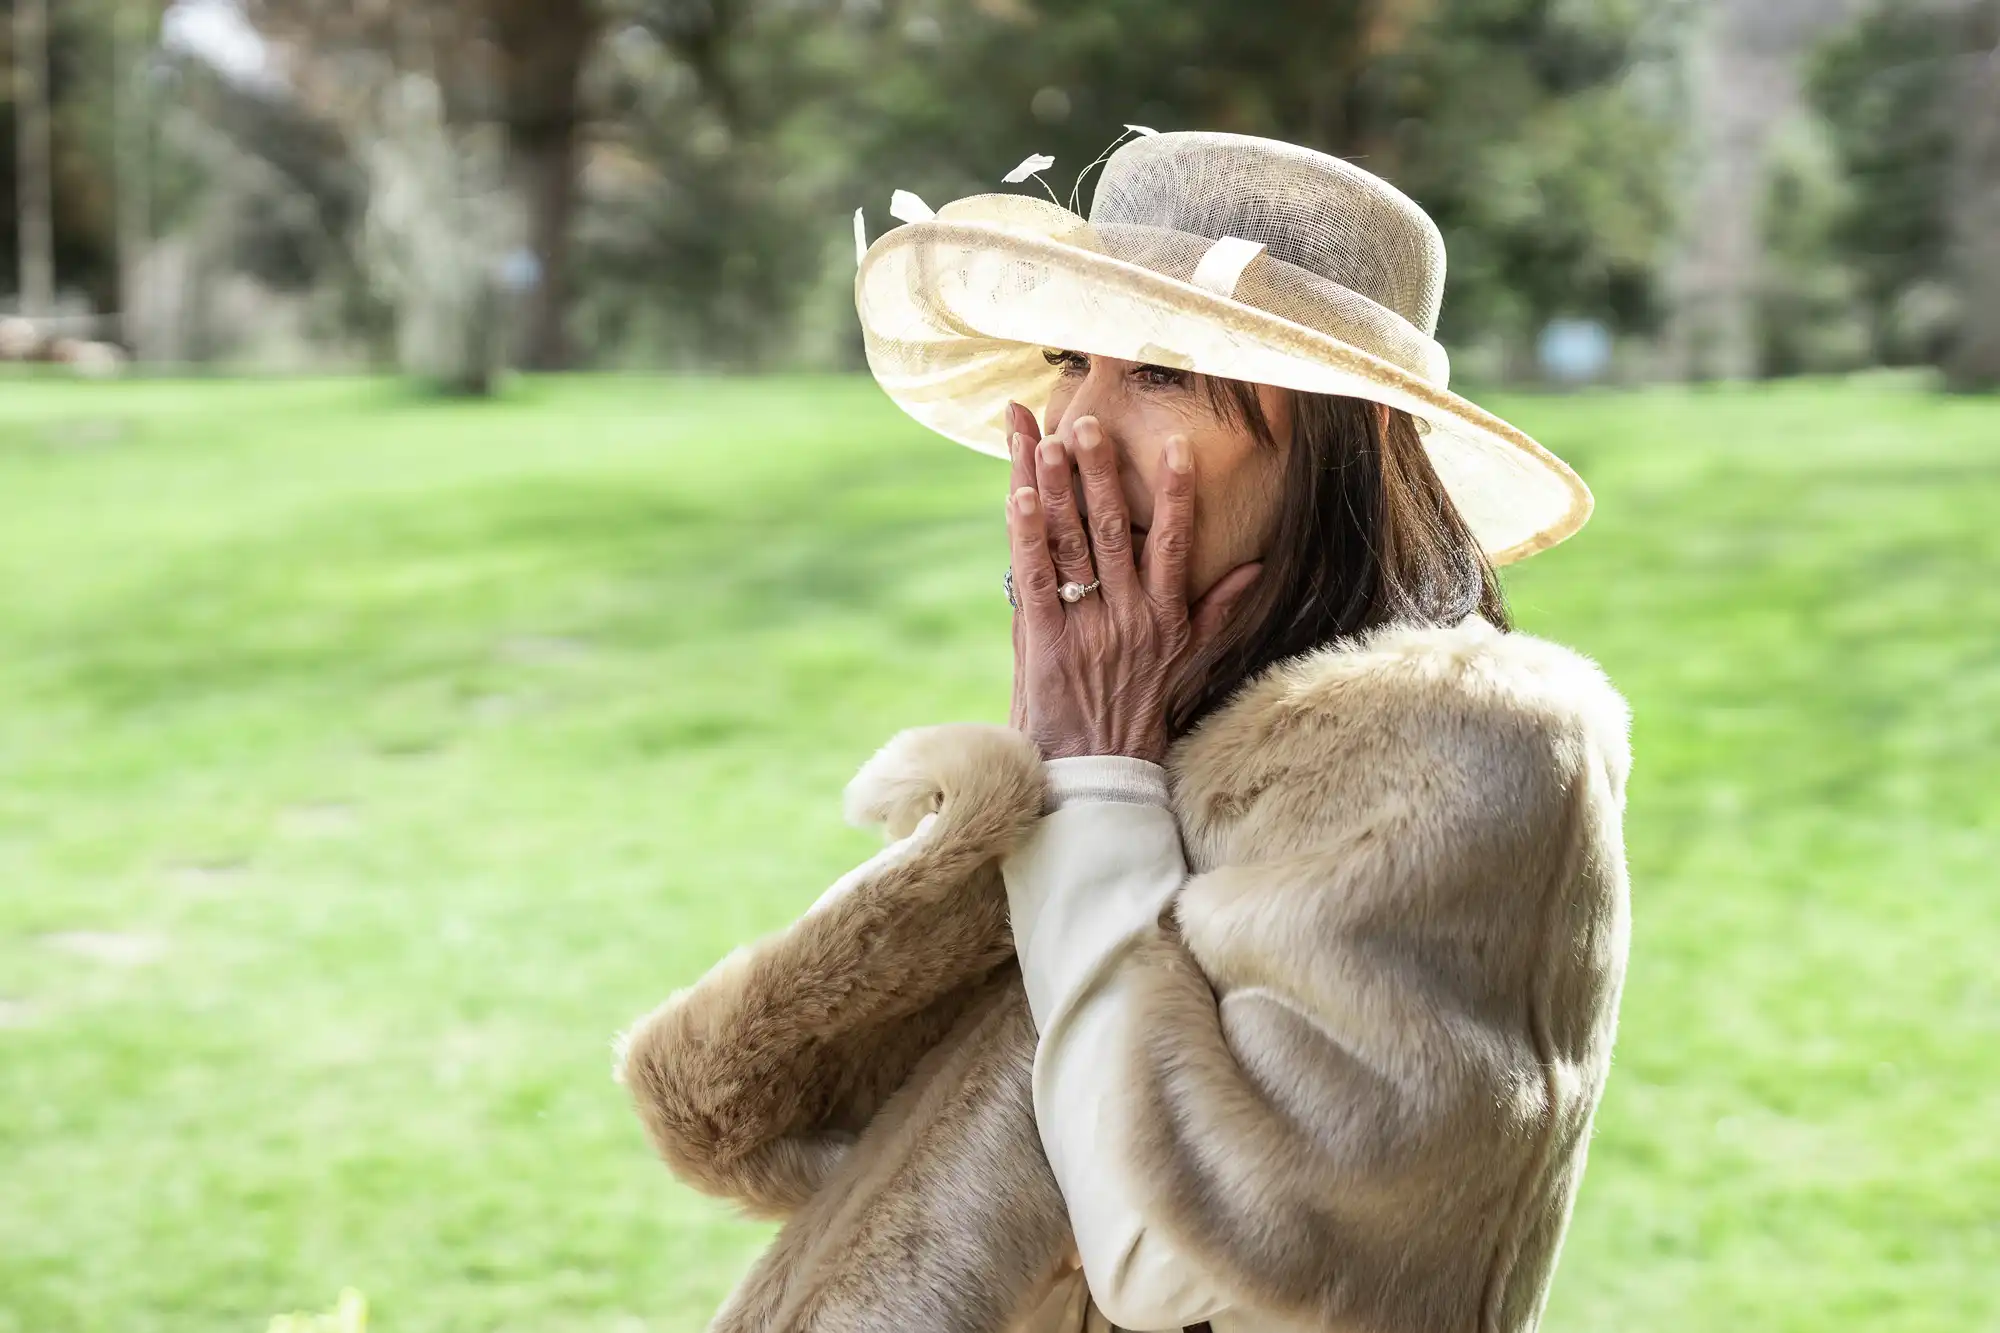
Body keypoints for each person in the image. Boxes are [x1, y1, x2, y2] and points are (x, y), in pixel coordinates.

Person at [615, 128, 1633, 1333]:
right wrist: (1039, 782)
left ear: (1331, 448)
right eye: (1068, 362)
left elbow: (1197, 1259)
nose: (1073, 427)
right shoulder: (1165, 708)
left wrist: (1092, 787)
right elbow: (780, 1133)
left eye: (1160, 374)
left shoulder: (1467, 748)